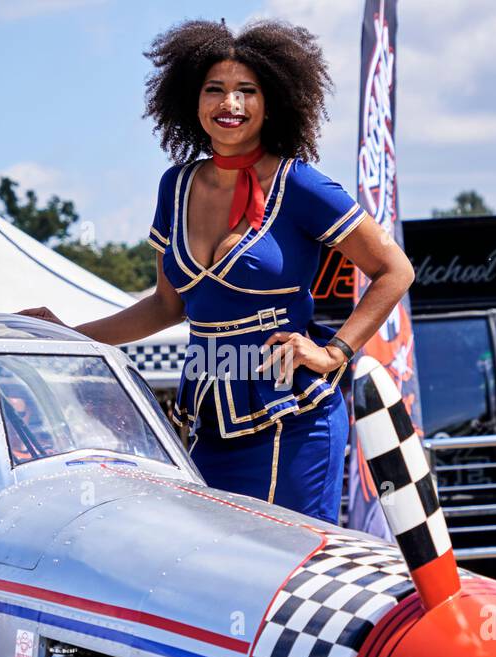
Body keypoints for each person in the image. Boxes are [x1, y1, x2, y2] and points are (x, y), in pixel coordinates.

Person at [21, 19, 414, 523]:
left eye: (246, 91)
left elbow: (394, 270)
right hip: (209, 419)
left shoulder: (300, 184)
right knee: (219, 569)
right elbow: (167, 306)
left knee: (287, 571)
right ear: (192, 99)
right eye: (216, 90)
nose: (230, 104)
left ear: (271, 101)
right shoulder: (176, 186)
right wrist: (72, 336)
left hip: (292, 418)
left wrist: (333, 351)